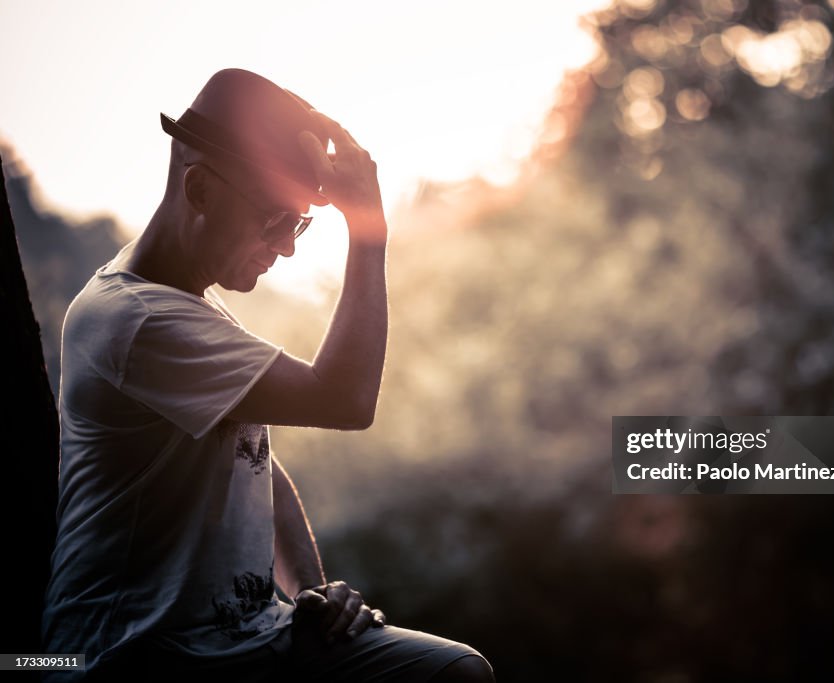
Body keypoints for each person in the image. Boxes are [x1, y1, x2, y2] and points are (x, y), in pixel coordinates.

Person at [40, 68, 494, 682]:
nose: (288, 248)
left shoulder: (186, 300)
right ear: (199, 190)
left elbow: (253, 462)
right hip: (129, 654)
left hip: (247, 639)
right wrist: (367, 228)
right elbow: (347, 400)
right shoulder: (138, 319)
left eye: (301, 224)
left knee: (457, 671)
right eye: (277, 219)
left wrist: (313, 589)